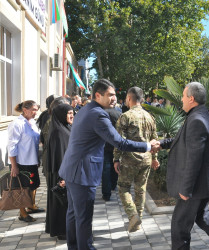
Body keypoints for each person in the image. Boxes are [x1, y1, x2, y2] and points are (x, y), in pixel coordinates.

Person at [58, 79, 160, 250]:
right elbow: (119, 142)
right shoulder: (98, 114)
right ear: (98, 95)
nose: (114, 98)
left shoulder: (85, 110)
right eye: (110, 95)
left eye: (115, 95)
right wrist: (148, 146)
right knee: (82, 217)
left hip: (72, 169)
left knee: (73, 214)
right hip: (82, 172)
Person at [159, 82, 209, 250]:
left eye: (183, 96)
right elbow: (185, 141)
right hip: (204, 182)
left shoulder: (197, 119)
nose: (181, 99)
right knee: (202, 216)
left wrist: (186, 189)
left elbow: (194, 158)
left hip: (197, 185)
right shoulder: (199, 115)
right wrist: (162, 143)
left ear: (191, 98)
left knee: (179, 226)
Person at [113, 87, 159, 232]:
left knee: (123, 187)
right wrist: (154, 158)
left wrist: (116, 159)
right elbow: (155, 140)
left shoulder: (125, 116)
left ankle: (133, 216)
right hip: (146, 159)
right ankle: (137, 221)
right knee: (141, 190)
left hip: (129, 159)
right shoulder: (150, 116)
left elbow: (119, 141)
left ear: (129, 98)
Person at [7, 100, 43, 222]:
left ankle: (31, 206)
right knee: (22, 188)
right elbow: (12, 145)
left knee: (33, 185)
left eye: (36, 110)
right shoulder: (17, 124)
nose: (35, 112)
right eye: (33, 110)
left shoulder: (32, 122)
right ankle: (22, 213)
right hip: (21, 162)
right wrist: (14, 165)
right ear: (25, 109)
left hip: (32, 159)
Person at [45, 104, 74, 239]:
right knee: (62, 203)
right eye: (68, 113)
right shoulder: (58, 132)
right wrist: (63, 177)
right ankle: (62, 231)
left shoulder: (64, 128)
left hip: (64, 172)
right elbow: (60, 156)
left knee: (64, 203)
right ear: (61, 115)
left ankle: (63, 230)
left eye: (72, 112)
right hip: (61, 174)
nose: (72, 115)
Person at [101, 107, 122, 201]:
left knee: (106, 168)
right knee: (115, 163)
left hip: (104, 144)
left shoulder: (102, 113)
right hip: (116, 143)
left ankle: (106, 194)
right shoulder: (119, 114)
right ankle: (113, 185)